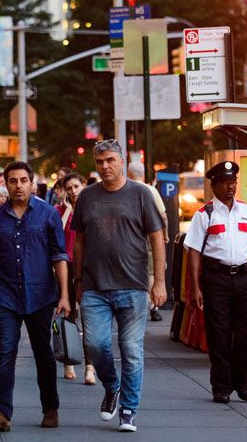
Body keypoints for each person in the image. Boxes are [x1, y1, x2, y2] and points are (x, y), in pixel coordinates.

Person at [70, 139, 166, 433]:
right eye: (100, 162)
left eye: (110, 160)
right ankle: (112, 387)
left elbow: (156, 237)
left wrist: (160, 281)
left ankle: (128, 409)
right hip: (95, 287)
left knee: (131, 350)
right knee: (95, 344)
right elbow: (80, 242)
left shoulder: (140, 194)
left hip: (133, 285)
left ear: (122, 161)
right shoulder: (87, 196)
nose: (105, 167)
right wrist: (77, 282)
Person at [0, 162, 70, 432]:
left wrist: (64, 295)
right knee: (5, 353)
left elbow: (59, 257)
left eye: (23, 180)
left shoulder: (48, 214)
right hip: (6, 296)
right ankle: (2, 413)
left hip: (40, 295)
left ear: (32, 183)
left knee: (44, 354)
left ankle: (50, 408)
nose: (18, 185)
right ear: (6, 184)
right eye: (13, 181)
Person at [184, 161, 247, 404]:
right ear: (214, 185)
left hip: (245, 279)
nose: (231, 186)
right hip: (216, 280)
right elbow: (193, 252)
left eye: (233, 181)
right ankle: (221, 386)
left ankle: (241, 378)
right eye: (225, 182)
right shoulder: (205, 215)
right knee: (219, 335)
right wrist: (196, 287)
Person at [56, 172, 96, 385]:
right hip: (67, 268)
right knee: (69, 316)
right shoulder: (60, 211)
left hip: (89, 267)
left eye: (76, 187)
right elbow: (57, 233)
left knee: (89, 317)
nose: (73, 191)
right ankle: (68, 361)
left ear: (83, 186)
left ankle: (90, 367)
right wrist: (69, 210)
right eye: (69, 188)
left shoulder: (92, 207)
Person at [127, 162, 170, 322]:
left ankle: (138, 306)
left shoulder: (127, 189)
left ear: (129, 174)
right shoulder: (151, 191)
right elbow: (163, 216)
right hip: (151, 237)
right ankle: (153, 306)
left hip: (132, 238)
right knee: (151, 271)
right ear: (143, 174)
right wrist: (165, 235)